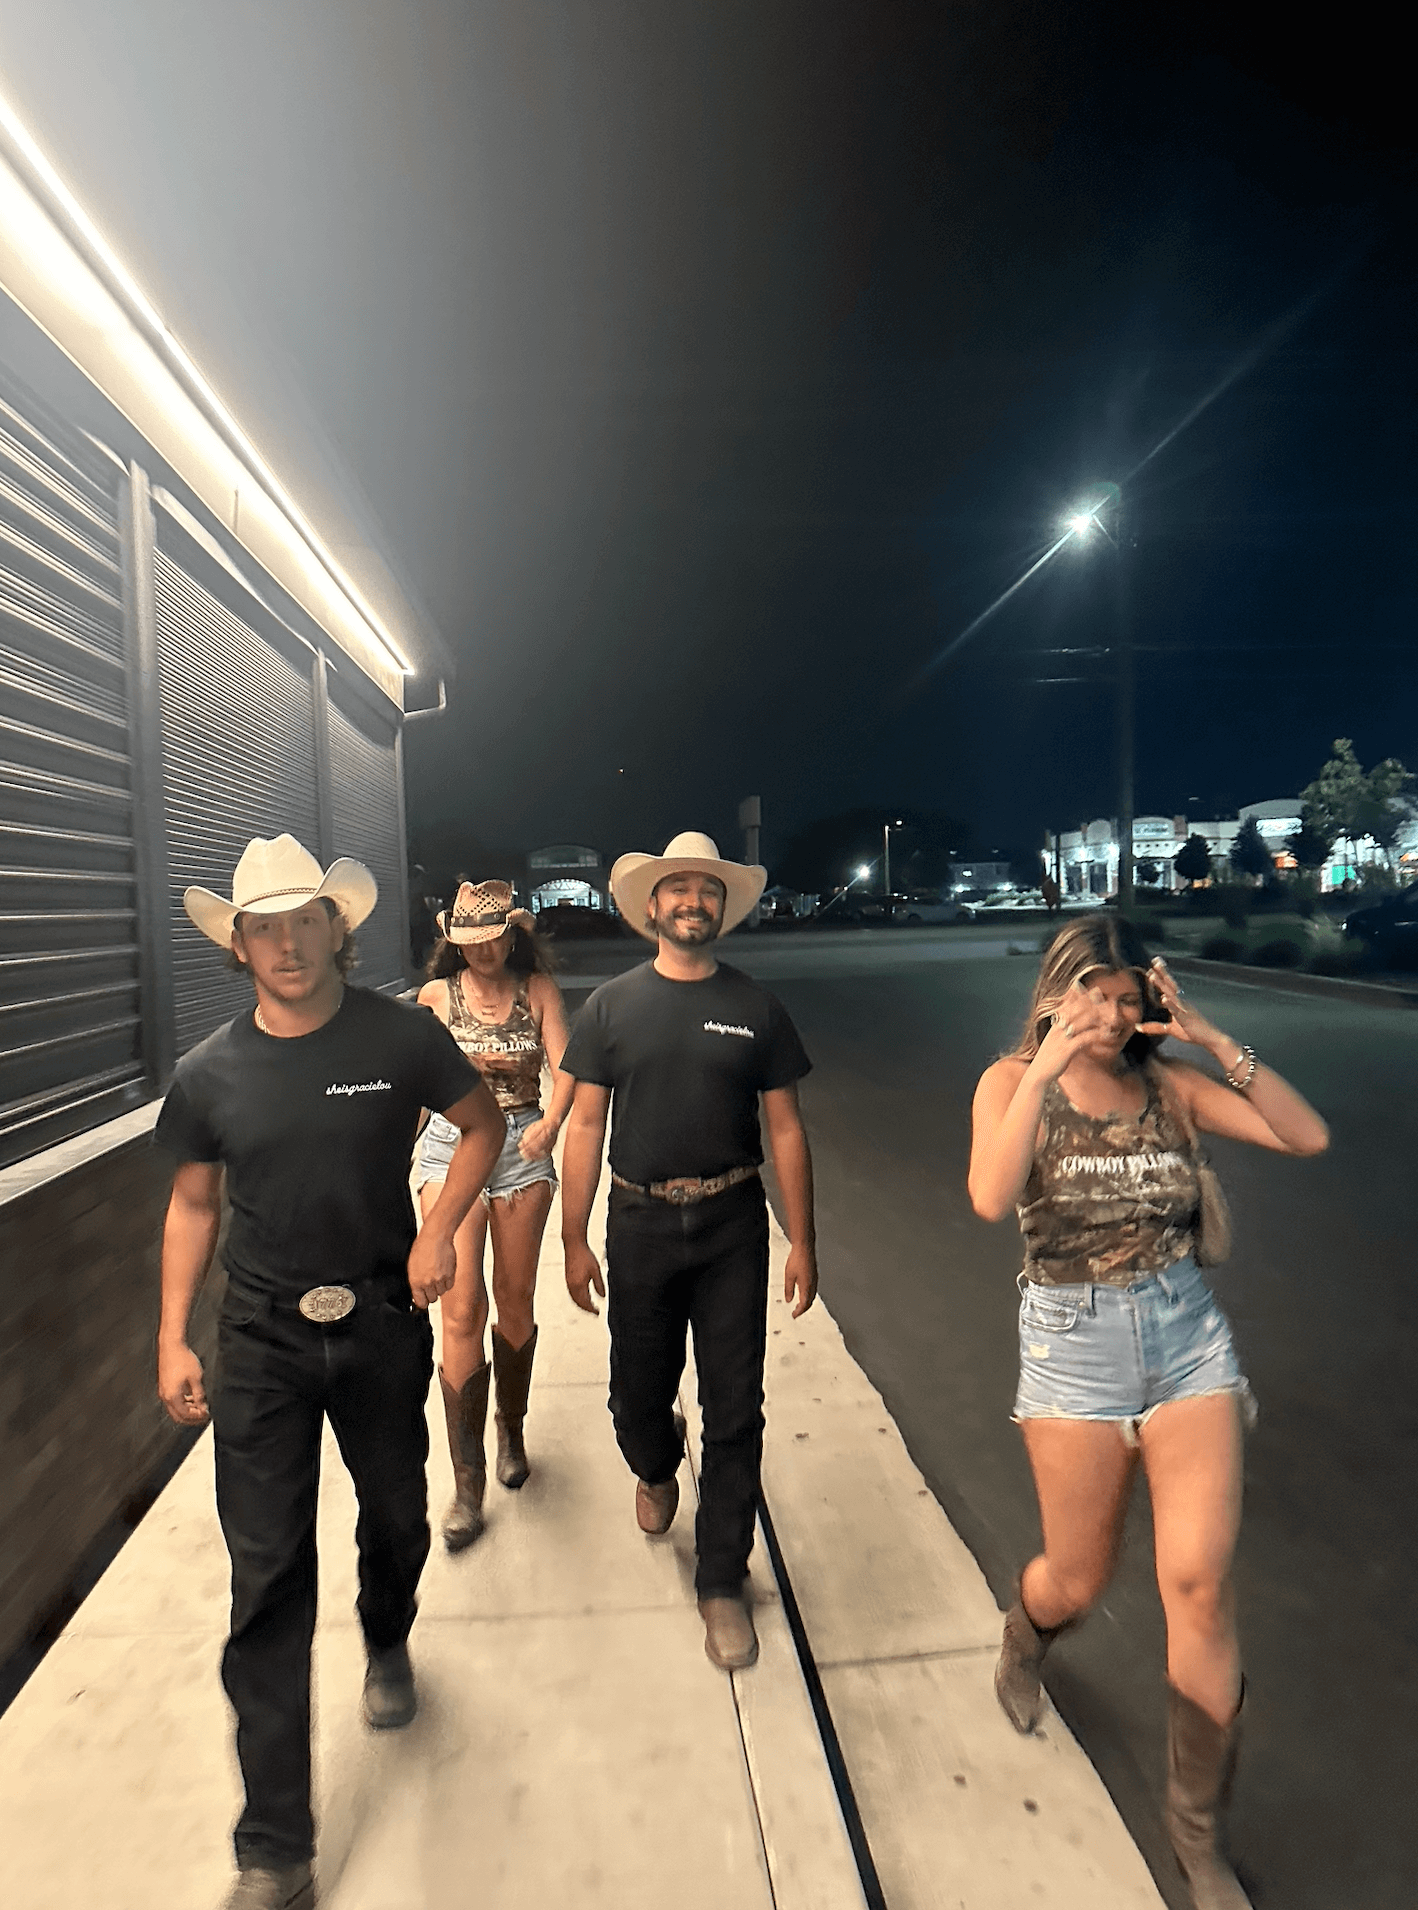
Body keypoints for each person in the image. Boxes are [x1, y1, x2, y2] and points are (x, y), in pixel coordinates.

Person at [154, 835, 505, 1910]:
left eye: (305, 921)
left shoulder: (400, 1036)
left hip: (379, 1320)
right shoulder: (207, 1073)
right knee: (266, 1576)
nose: (288, 944)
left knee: (397, 1517)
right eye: (265, 928)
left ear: (334, 928)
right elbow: (193, 1205)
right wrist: (172, 1334)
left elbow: (483, 1124)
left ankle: (387, 1634)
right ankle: (275, 1848)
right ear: (240, 945)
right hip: (259, 1340)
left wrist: (438, 1229)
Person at [967, 916, 1327, 1910]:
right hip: (1071, 1350)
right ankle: (1027, 1632)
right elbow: (989, 1196)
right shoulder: (1011, 1082)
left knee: (1198, 1584)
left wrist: (1213, 1040)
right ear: (1056, 993)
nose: (1113, 1014)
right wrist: (1045, 1065)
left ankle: (1195, 1835)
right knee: (1077, 1578)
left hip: (1185, 1341)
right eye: (1095, 993)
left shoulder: (1170, 1087)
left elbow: (1304, 1134)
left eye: (1129, 998)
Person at [559, 831, 818, 1671]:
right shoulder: (610, 1007)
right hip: (637, 1223)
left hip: (732, 1223)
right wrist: (572, 1235)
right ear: (652, 906)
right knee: (635, 1398)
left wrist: (803, 1239)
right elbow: (585, 1125)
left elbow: (786, 1128)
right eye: (678, 889)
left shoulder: (757, 1007)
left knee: (735, 1408)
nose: (692, 901)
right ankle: (656, 1459)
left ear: (722, 907)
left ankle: (720, 1580)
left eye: (707, 890)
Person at [414, 880, 573, 1546]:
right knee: (460, 1309)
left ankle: (511, 1427)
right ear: (456, 943)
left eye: (494, 938)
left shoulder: (537, 990)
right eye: (472, 941)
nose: (484, 950)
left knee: (514, 1296)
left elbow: (566, 1067)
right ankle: (467, 1481)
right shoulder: (434, 998)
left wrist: (552, 1122)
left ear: (512, 936)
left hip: (520, 1146)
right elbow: (414, 1080)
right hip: (449, 1147)